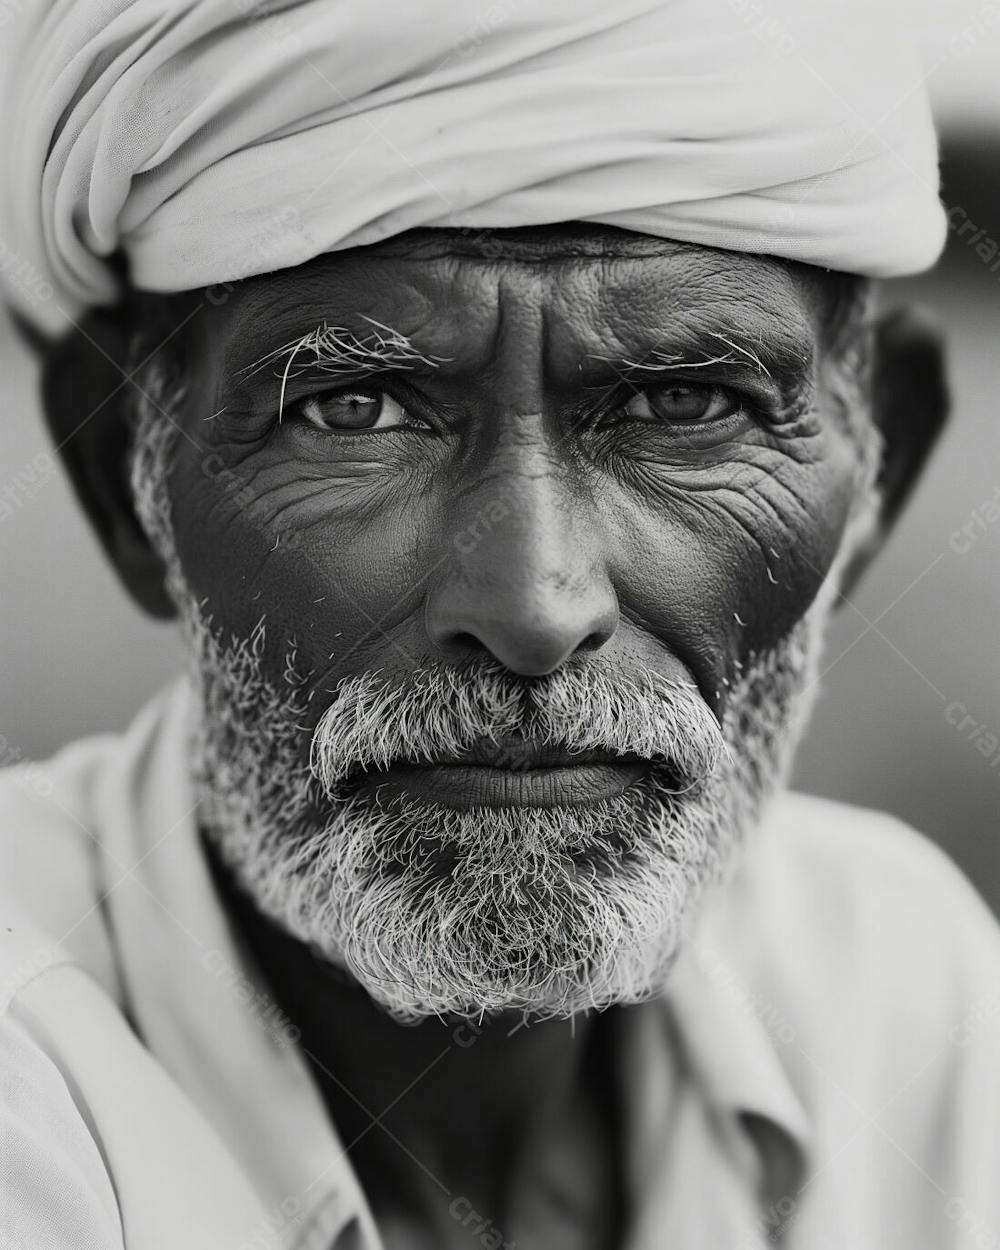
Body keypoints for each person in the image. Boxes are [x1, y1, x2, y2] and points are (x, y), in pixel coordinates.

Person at [1, 3, 997, 1249]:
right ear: (121, 480)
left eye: (683, 401)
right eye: (354, 408)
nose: (533, 605)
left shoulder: (910, 987)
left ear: (876, 475)